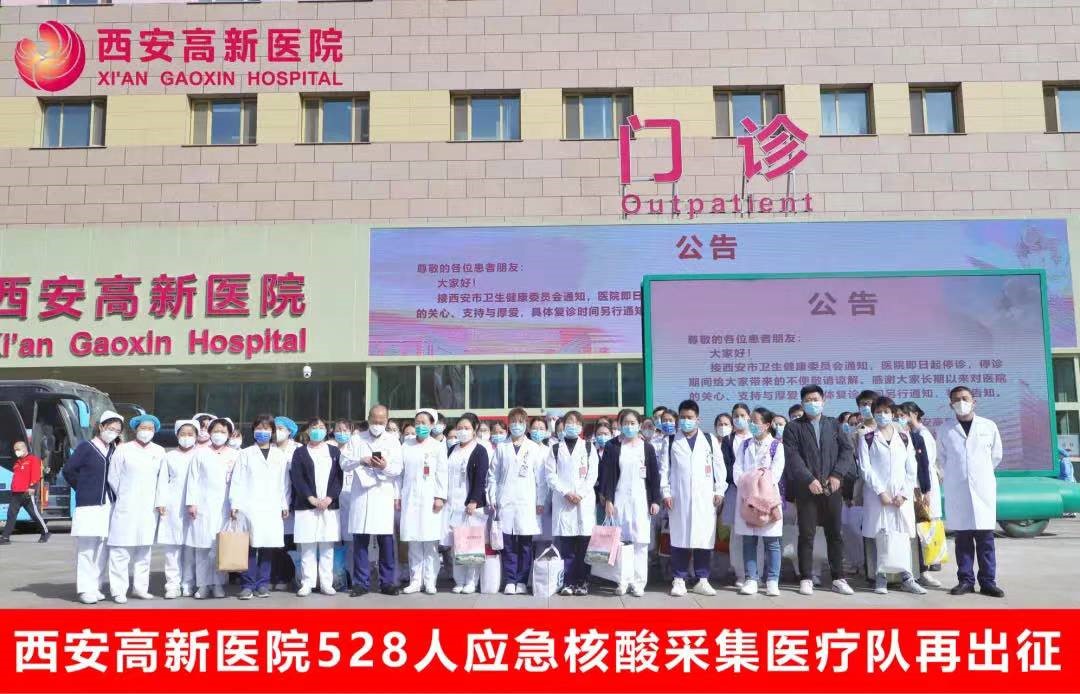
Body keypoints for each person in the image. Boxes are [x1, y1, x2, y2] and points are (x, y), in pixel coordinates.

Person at [782, 385, 856, 597]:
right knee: (806, 534)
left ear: (824, 401)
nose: (812, 403)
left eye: (815, 399)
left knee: (835, 534)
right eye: (807, 400)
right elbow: (793, 457)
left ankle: (838, 578)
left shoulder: (833, 424)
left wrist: (837, 475)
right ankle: (806, 578)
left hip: (832, 488)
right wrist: (808, 479)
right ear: (802, 403)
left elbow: (846, 450)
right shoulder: (793, 427)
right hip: (807, 490)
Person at [938, 386, 1005, 598]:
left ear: (974, 401)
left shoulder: (988, 426)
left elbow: (996, 455)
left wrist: (978, 473)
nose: (961, 402)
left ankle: (988, 582)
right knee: (963, 540)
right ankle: (965, 581)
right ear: (951, 405)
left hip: (983, 490)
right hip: (958, 490)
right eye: (956, 399)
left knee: (986, 540)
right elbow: (941, 458)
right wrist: (960, 474)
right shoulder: (945, 429)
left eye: (965, 398)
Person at [857, 397, 926, 596]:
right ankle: (881, 578)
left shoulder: (904, 437)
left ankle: (907, 578)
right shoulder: (867, 438)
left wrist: (903, 494)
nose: (882, 415)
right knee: (880, 536)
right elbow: (865, 468)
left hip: (900, 498)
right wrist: (881, 491)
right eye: (878, 412)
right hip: (877, 497)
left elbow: (911, 468)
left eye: (886, 412)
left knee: (903, 537)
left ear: (893, 413)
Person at [659, 399, 725, 597]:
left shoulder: (709, 440)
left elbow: (719, 468)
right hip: (679, 498)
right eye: (683, 417)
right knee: (680, 538)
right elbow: (664, 470)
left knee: (704, 539)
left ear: (698, 419)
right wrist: (666, 492)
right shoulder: (670, 440)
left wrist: (719, 491)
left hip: (705, 498)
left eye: (690, 417)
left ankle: (702, 579)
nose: (686, 421)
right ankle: (679, 579)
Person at [341, 404, 403, 596]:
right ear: (368, 419)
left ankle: (387, 582)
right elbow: (343, 463)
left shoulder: (393, 441)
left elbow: (398, 469)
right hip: (361, 495)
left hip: (382, 494)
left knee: (386, 541)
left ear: (387, 420)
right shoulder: (356, 439)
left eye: (381, 421)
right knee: (360, 540)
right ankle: (361, 583)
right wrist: (361, 460)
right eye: (374, 420)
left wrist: (384, 466)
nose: (377, 424)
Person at [63, 411, 124, 604]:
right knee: (87, 548)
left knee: (103, 547)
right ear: (101, 427)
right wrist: (82, 488)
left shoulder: (114, 450)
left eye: (117, 430)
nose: (113, 432)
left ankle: (96, 585)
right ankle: (85, 589)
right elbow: (68, 470)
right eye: (110, 428)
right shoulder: (86, 447)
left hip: (109, 504)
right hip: (89, 505)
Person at [599, 409, 660, 597]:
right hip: (619, 499)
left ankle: (638, 582)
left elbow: (654, 476)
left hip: (641, 500)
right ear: (619, 425)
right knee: (621, 541)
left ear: (639, 425)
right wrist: (608, 500)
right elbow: (607, 476)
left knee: (640, 542)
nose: (629, 426)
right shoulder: (612, 446)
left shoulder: (647, 448)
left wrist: (655, 500)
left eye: (633, 423)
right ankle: (622, 581)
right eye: (625, 423)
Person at [107, 413, 167, 603]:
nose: (146, 431)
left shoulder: (159, 451)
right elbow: (113, 476)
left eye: (150, 428)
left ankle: (140, 588)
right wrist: (125, 494)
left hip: (148, 508)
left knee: (144, 550)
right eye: (143, 427)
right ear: (135, 429)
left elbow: (162, 480)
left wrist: (160, 502)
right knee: (120, 550)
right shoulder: (123, 449)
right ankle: (118, 590)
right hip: (126, 505)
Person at [229, 414, 290, 599]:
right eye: (259, 428)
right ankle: (247, 584)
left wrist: (284, 504)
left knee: (267, 546)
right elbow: (237, 480)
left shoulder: (279, 455)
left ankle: (263, 584)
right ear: (253, 431)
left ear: (272, 432)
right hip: (249, 505)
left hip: (272, 505)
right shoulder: (245, 453)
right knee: (248, 546)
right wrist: (235, 503)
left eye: (266, 428)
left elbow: (284, 483)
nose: (262, 432)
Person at [490, 408, 545, 595]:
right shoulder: (501, 448)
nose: (516, 425)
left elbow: (541, 479)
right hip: (505, 501)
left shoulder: (534, 448)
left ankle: (522, 580)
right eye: (513, 421)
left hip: (526, 502)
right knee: (508, 544)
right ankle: (510, 580)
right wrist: (492, 497)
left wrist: (540, 501)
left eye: (520, 422)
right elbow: (493, 475)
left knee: (525, 544)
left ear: (526, 424)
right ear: (508, 424)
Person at [545, 410, 599, 596]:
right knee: (566, 547)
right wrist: (566, 492)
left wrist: (580, 494)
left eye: (576, 423)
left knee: (584, 547)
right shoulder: (555, 449)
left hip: (584, 502)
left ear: (581, 427)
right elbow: (550, 475)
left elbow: (592, 475)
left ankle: (583, 582)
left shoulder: (589, 447)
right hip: (564, 501)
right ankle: (568, 582)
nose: (572, 425)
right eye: (569, 422)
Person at [187, 416, 240, 599]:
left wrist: (235, 504)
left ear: (229, 434)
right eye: (216, 431)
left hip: (225, 506)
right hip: (203, 505)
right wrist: (192, 503)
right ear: (209, 433)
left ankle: (218, 584)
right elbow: (192, 479)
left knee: (220, 547)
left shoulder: (235, 454)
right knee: (202, 547)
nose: (219, 434)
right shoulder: (200, 453)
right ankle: (202, 585)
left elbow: (239, 482)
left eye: (223, 432)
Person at [734, 408, 785, 597]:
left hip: (767, 498)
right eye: (751, 421)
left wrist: (756, 482)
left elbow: (775, 473)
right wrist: (749, 486)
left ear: (767, 424)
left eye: (755, 421)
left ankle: (772, 580)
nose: (752, 425)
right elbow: (737, 469)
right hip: (747, 498)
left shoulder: (776, 446)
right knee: (749, 540)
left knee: (772, 542)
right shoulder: (745, 445)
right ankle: (751, 579)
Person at [291, 417, 343, 596]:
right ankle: (307, 583)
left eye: (321, 427)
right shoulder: (300, 452)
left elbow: (338, 477)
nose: (318, 430)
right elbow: (297, 478)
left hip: (329, 505)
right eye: (314, 427)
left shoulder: (334, 451)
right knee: (308, 547)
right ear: (308, 430)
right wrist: (311, 498)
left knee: (327, 546)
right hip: (307, 506)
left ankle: (326, 583)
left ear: (326, 431)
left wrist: (329, 497)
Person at [400, 408, 448, 594]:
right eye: (417, 422)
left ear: (432, 425)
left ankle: (430, 581)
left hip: (430, 498)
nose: (420, 426)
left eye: (424, 423)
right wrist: (398, 496)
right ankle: (415, 580)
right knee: (413, 541)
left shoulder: (437, 446)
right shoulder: (406, 445)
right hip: (410, 497)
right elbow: (400, 472)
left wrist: (440, 497)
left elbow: (442, 473)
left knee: (430, 542)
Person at [444, 412, 490, 594]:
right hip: (452, 503)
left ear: (475, 429)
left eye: (466, 428)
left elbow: (480, 478)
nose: (462, 431)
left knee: (471, 543)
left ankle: (471, 581)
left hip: (470, 504)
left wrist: (474, 500)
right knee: (457, 544)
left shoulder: (480, 450)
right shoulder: (452, 449)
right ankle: (459, 580)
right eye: (460, 428)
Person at [899, 401, 945, 587]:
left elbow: (925, 465)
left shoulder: (922, 435)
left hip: (921, 488)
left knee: (923, 530)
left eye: (903, 414)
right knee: (913, 530)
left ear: (915, 414)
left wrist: (925, 490)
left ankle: (925, 569)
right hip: (911, 488)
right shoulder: (906, 434)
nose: (901, 418)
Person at [157, 420, 198, 599]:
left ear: (196, 436)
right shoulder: (169, 456)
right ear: (177, 435)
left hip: (194, 506)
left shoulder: (200, 454)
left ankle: (188, 582)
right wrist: (161, 502)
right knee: (172, 547)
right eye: (183, 434)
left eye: (190, 434)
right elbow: (162, 481)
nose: (186, 437)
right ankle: (172, 585)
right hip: (173, 504)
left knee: (190, 547)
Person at [721, 403, 753, 588]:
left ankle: (754, 572)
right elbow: (725, 465)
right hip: (736, 490)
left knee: (756, 532)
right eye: (735, 416)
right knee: (737, 533)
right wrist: (739, 480)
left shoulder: (755, 436)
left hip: (756, 491)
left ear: (749, 416)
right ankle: (740, 573)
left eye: (742, 415)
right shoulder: (728, 439)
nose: (739, 419)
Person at [270, 416, 300, 590]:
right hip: (272, 500)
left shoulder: (298, 449)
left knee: (289, 541)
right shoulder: (267, 449)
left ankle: (287, 578)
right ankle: (274, 576)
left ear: (290, 431)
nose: (277, 432)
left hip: (293, 501)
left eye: (281, 428)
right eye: (275, 428)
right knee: (273, 541)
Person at [0, 440, 50, 544]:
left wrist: (32, 487)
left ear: (24, 449)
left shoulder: (33, 460)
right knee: (11, 514)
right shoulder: (17, 463)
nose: (16, 452)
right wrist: (12, 488)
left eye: (17, 449)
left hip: (26, 492)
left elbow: (35, 474)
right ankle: (5, 537)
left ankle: (45, 532)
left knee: (34, 514)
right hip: (16, 493)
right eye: (15, 450)